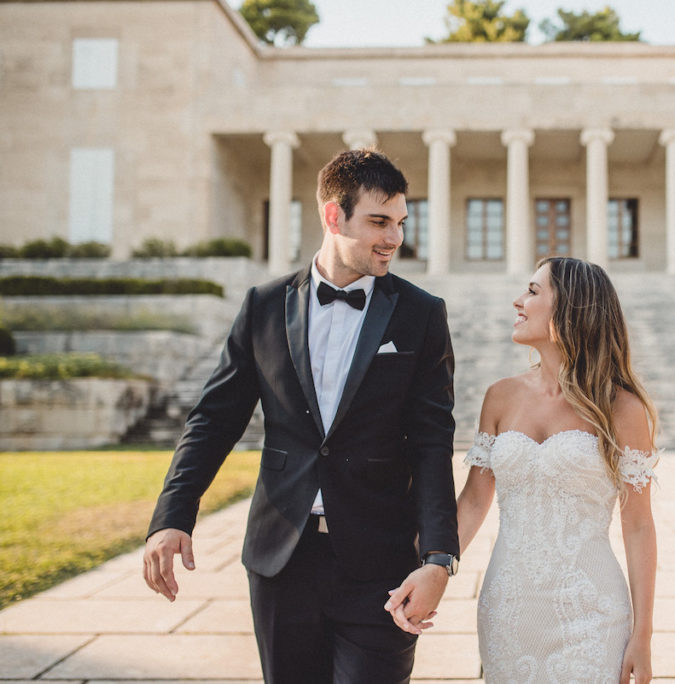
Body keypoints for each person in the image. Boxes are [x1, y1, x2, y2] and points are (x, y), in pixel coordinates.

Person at [143, 148, 461, 684]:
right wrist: (172, 515)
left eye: (401, 223)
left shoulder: (421, 313)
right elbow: (214, 419)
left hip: (381, 566)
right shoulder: (263, 306)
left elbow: (433, 441)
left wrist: (438, 557)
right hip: (280, 560)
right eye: (379, 221)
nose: (394, 239)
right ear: (333, 216)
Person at [390, 257, 658, 683]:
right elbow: (475, 501)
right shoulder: (501, 396)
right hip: (509, 608)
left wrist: (642, 635)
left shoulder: (622, 408)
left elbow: (639, 524)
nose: (518, 301)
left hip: (592, 610)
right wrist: (431, 567)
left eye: (533, 292)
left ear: (571, 308)